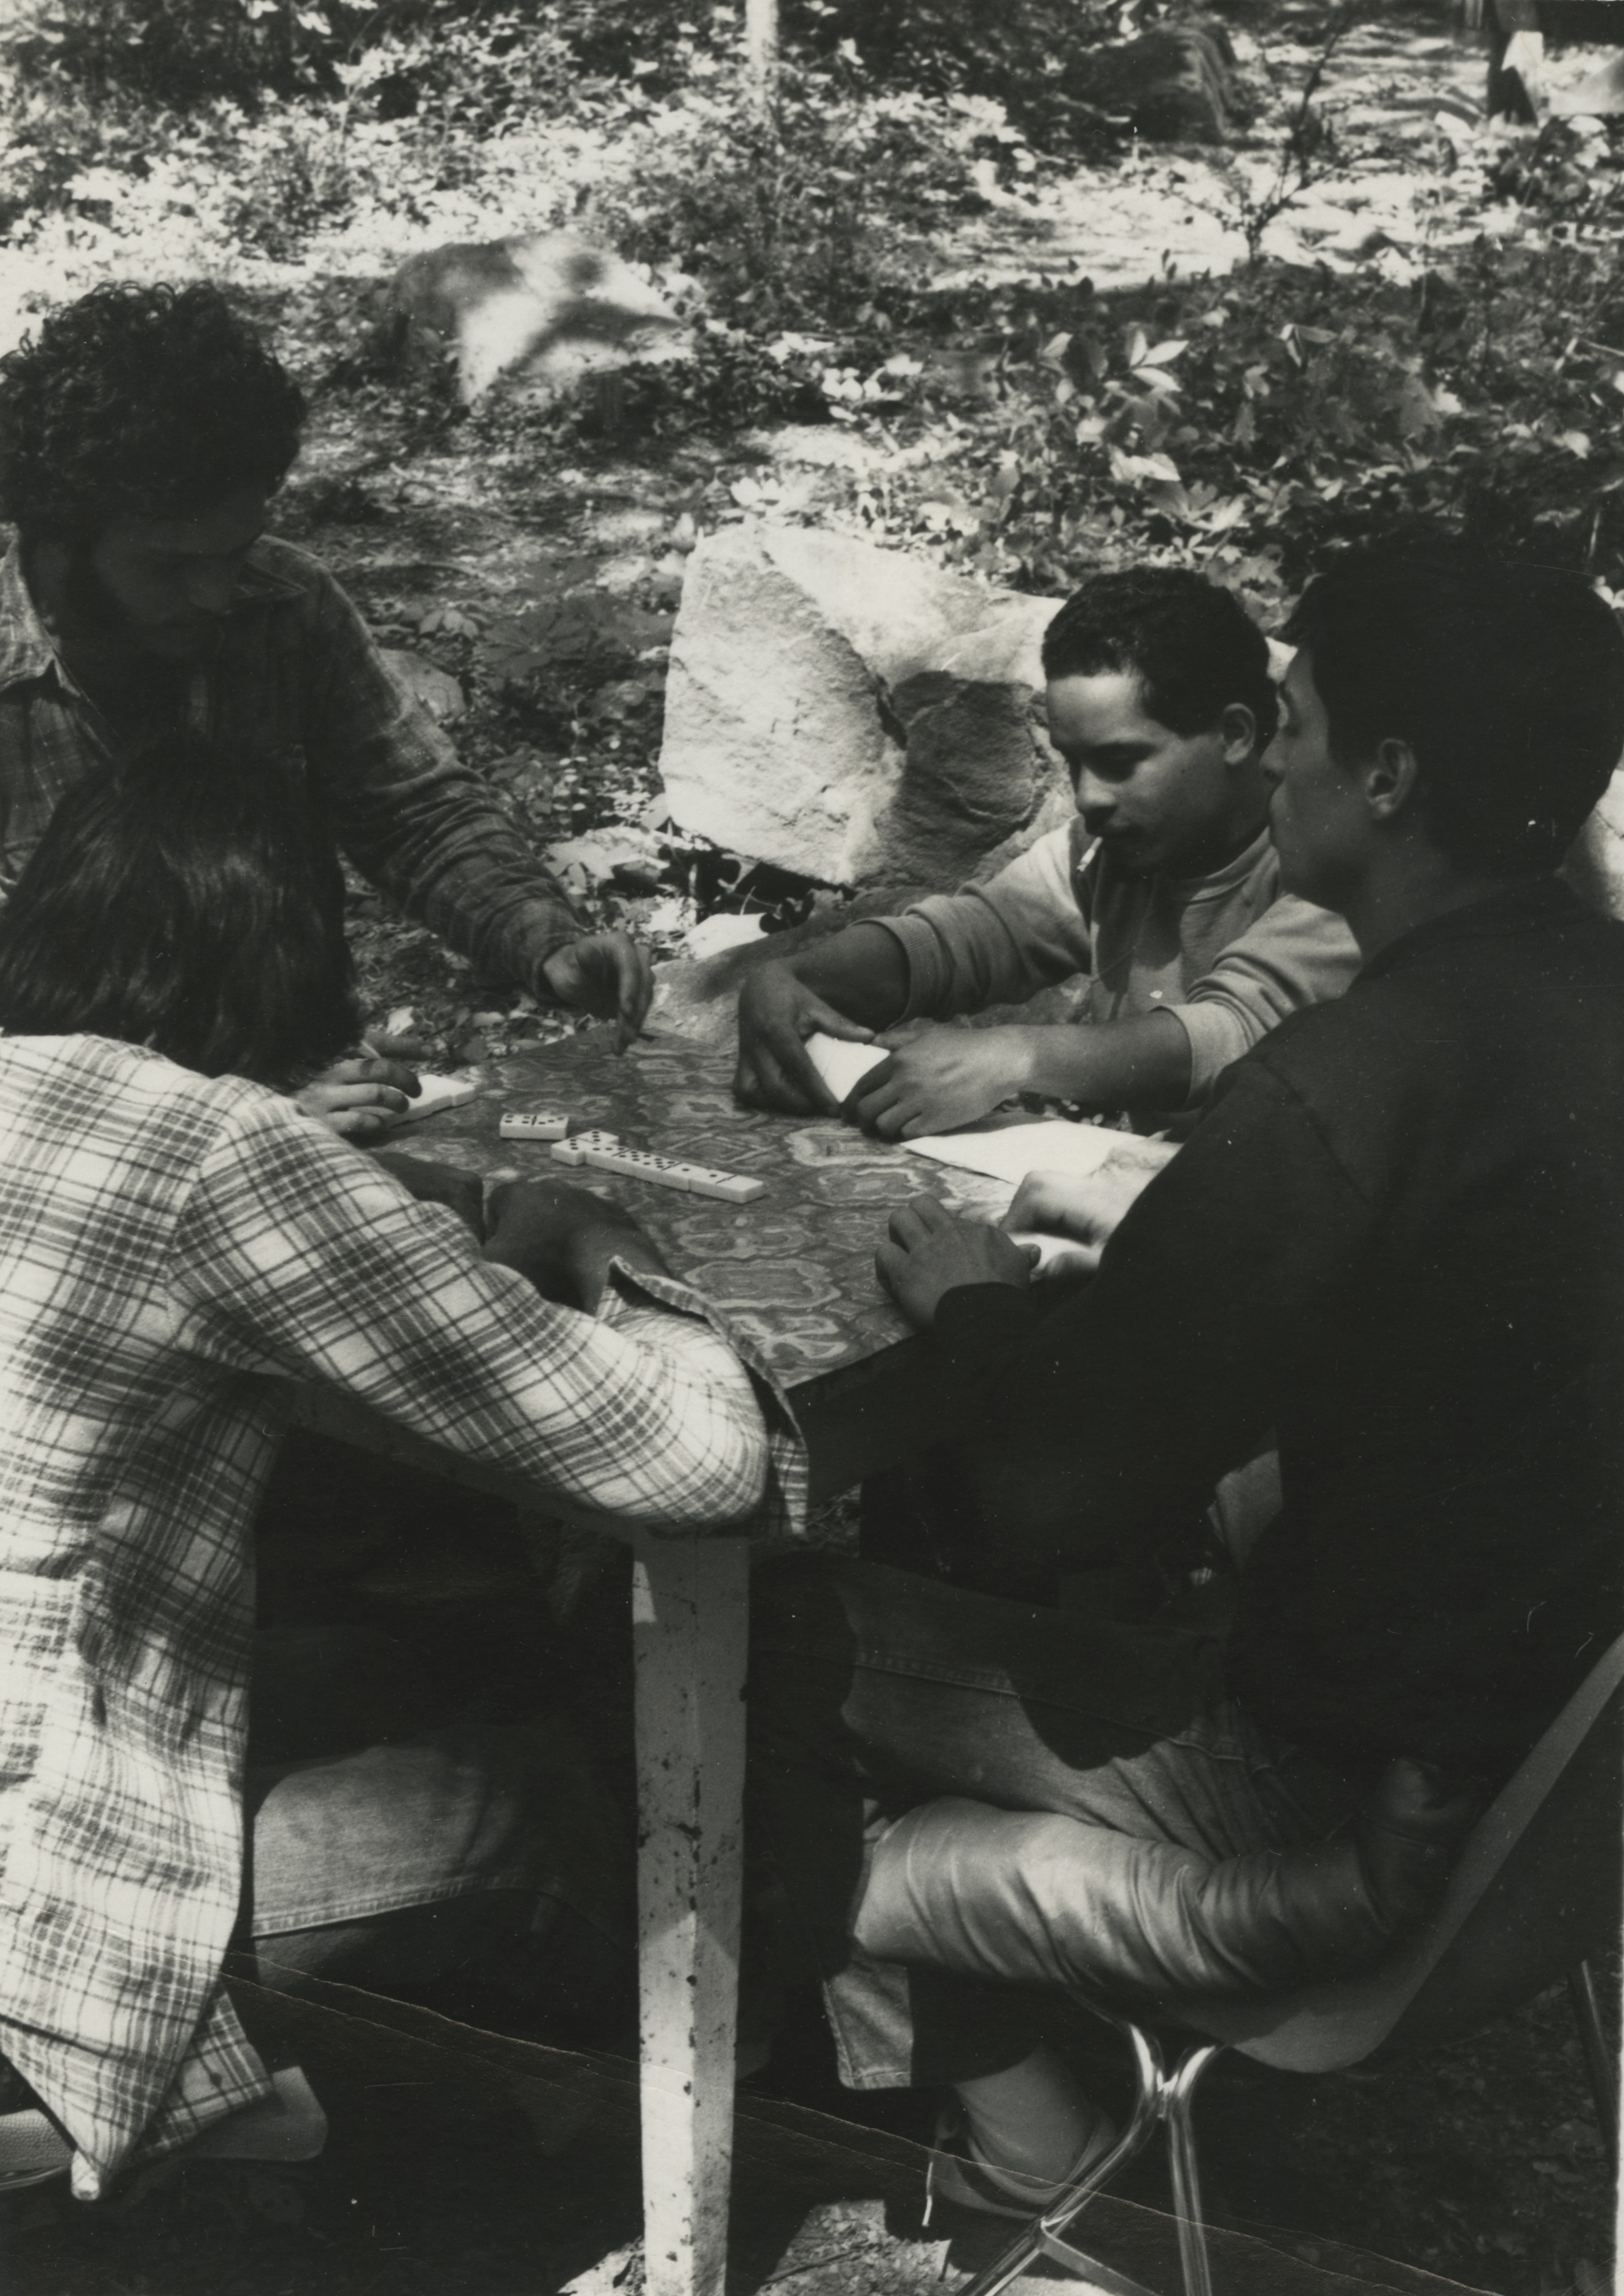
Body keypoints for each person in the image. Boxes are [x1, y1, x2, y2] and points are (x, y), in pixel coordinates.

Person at [744, 535, 1624, 2217]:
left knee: (764, 1647)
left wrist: (978, 1312)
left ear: (1384, 772)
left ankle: (1034, 2164)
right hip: (1544, 1822)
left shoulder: (1348, 1089)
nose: (1272, 755)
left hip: (1334, 1845)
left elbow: (1046, 1492)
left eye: (1288, 722)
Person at [0, 731, 784, 2204]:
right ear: (283, 971)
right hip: (27, 1903)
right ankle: (562, 2162)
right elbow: (693, 1464)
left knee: (379, 1656)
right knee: (547, 1785)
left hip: (48, 1729)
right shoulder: (219, 1149)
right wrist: (603, 1260)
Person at [0, 281, 653, 1140]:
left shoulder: (284, 604)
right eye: (167, 566)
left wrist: (544, 942)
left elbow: (413, 810)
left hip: (272, 1080)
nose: (215, 596)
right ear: (58, 539)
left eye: (233, 553)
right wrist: (233, 1118)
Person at [734, 566, 1359, 1137]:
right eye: (1072, 762)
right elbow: (970, 937)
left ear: (1232, 735)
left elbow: (1236, 1031)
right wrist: (794, 977)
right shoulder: (1111, 849)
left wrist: (1016, 1056)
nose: (1088, 798)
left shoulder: (1321, 861)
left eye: (1118, 761)